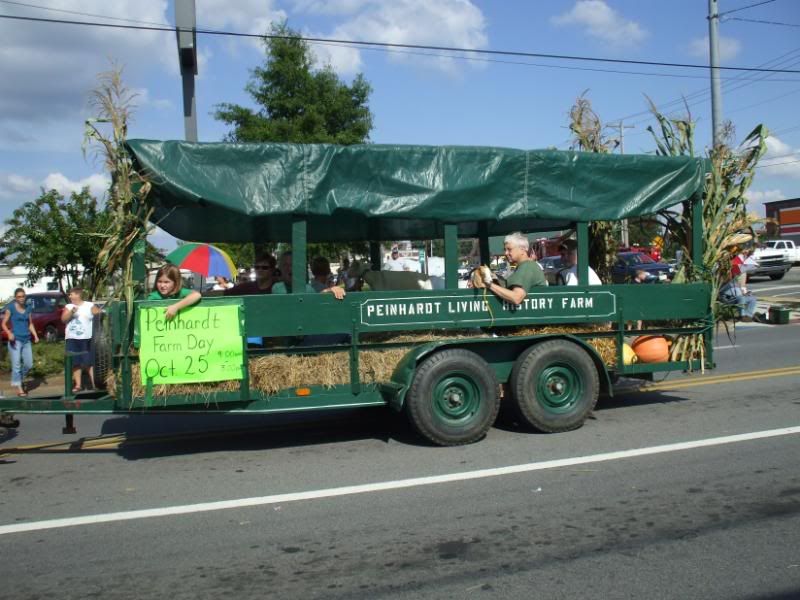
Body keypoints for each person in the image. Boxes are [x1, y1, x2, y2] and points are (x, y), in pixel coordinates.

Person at [476, 232, 547, 305]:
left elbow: (516, 298)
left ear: (522, 249)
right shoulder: (525, 266)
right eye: (505, 249)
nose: (506, 253)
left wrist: (488, 284)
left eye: (509, 249)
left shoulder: (527, 266)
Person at [61, 287, 102, 392]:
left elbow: (100, 314)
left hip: (86, 338)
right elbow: (63, 319)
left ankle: (94, 384)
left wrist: (100, 312)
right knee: (75, 362)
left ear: (77, 295)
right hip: (72, 338)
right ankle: (78, 385)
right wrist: (71, 312)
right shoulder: (69, 306)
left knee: (89, 362)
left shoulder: (89, 305)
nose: (70, 296)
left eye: (71, 294)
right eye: (69, 294)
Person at [1, 288, 39, 397]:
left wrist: (35, 335)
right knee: (16, 365)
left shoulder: (28, 308)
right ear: (15, 298)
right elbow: (3, 323)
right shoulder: (11, 308)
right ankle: (19, 388)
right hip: (15, 340)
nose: (21, 298)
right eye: (19, 297)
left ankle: (17, 379)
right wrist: (9, 333)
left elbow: (30, 323)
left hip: (26, 340)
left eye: (23, 296)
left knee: (29, 364)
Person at [272, 251, 345, 299]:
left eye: (292, 265)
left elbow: (316, 298)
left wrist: (332, 290)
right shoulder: (277, 288)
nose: (289, 268)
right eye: (285, 265)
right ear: (280, 268)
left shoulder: (308, 288)